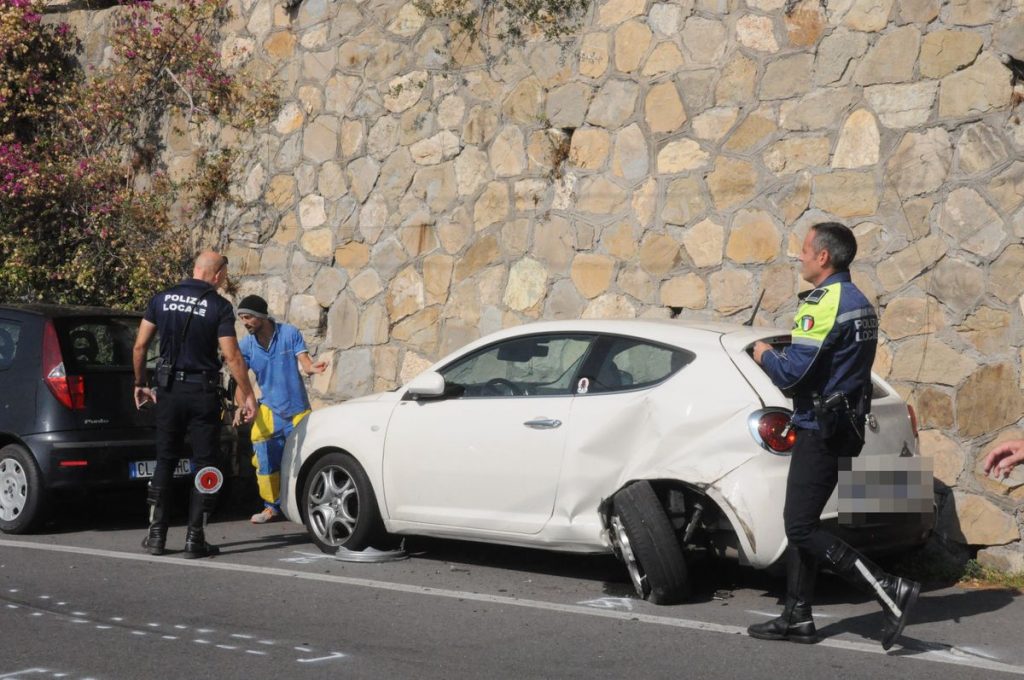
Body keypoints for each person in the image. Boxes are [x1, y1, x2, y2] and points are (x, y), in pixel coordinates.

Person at [746, 222, 920, 650]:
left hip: (820, 428)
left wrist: (765, 353)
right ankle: (797, 616)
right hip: (845, 425)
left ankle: (887, 587)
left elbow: (791, 375)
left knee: (800, 526)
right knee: (804, 521)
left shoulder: (823, 303)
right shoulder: (860, 301)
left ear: (824, 257)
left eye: (805, 250)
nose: (800, 256)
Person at [132, 251, 258, 559]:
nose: (224, 281)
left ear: (194, 269)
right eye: (224, 276)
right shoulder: (219, 306)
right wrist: (248, 394)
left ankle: (157, 536)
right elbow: (232, 356)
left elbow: (140, 345)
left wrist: (140, 384)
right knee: (205, 463)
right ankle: (194, 537)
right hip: (202, 392)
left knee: (165, 459)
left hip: (168, 390)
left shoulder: (161, 299)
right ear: (216, 276)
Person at [235, 295, 326, 524]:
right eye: (242, 318)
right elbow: (241, 381)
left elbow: (304, 362)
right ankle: (271, 506)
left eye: (248, 317)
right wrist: (241, 405)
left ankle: (309, 504)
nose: (244, 322)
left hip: (297, 409)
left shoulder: (289, 333)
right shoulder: (246, 345)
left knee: (306, 458)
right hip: (270, 409)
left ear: (261, 317)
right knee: (264, 457)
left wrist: (312, 368)